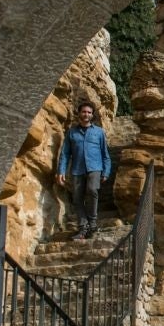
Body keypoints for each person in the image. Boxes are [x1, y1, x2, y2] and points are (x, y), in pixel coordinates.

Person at [57, 101, 111, 240]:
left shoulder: (99, 132)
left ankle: (92, 224)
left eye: (89, 112)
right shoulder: (71, 133)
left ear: (92, 115)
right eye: (84, 112)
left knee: (92, 190)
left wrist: (106, 171)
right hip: (77, 169)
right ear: (79, 113)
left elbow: (105, 154)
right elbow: (65, 154)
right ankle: (83, 227)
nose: (86, 114)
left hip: (95, 168)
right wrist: (61, 171)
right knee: (77, 198)